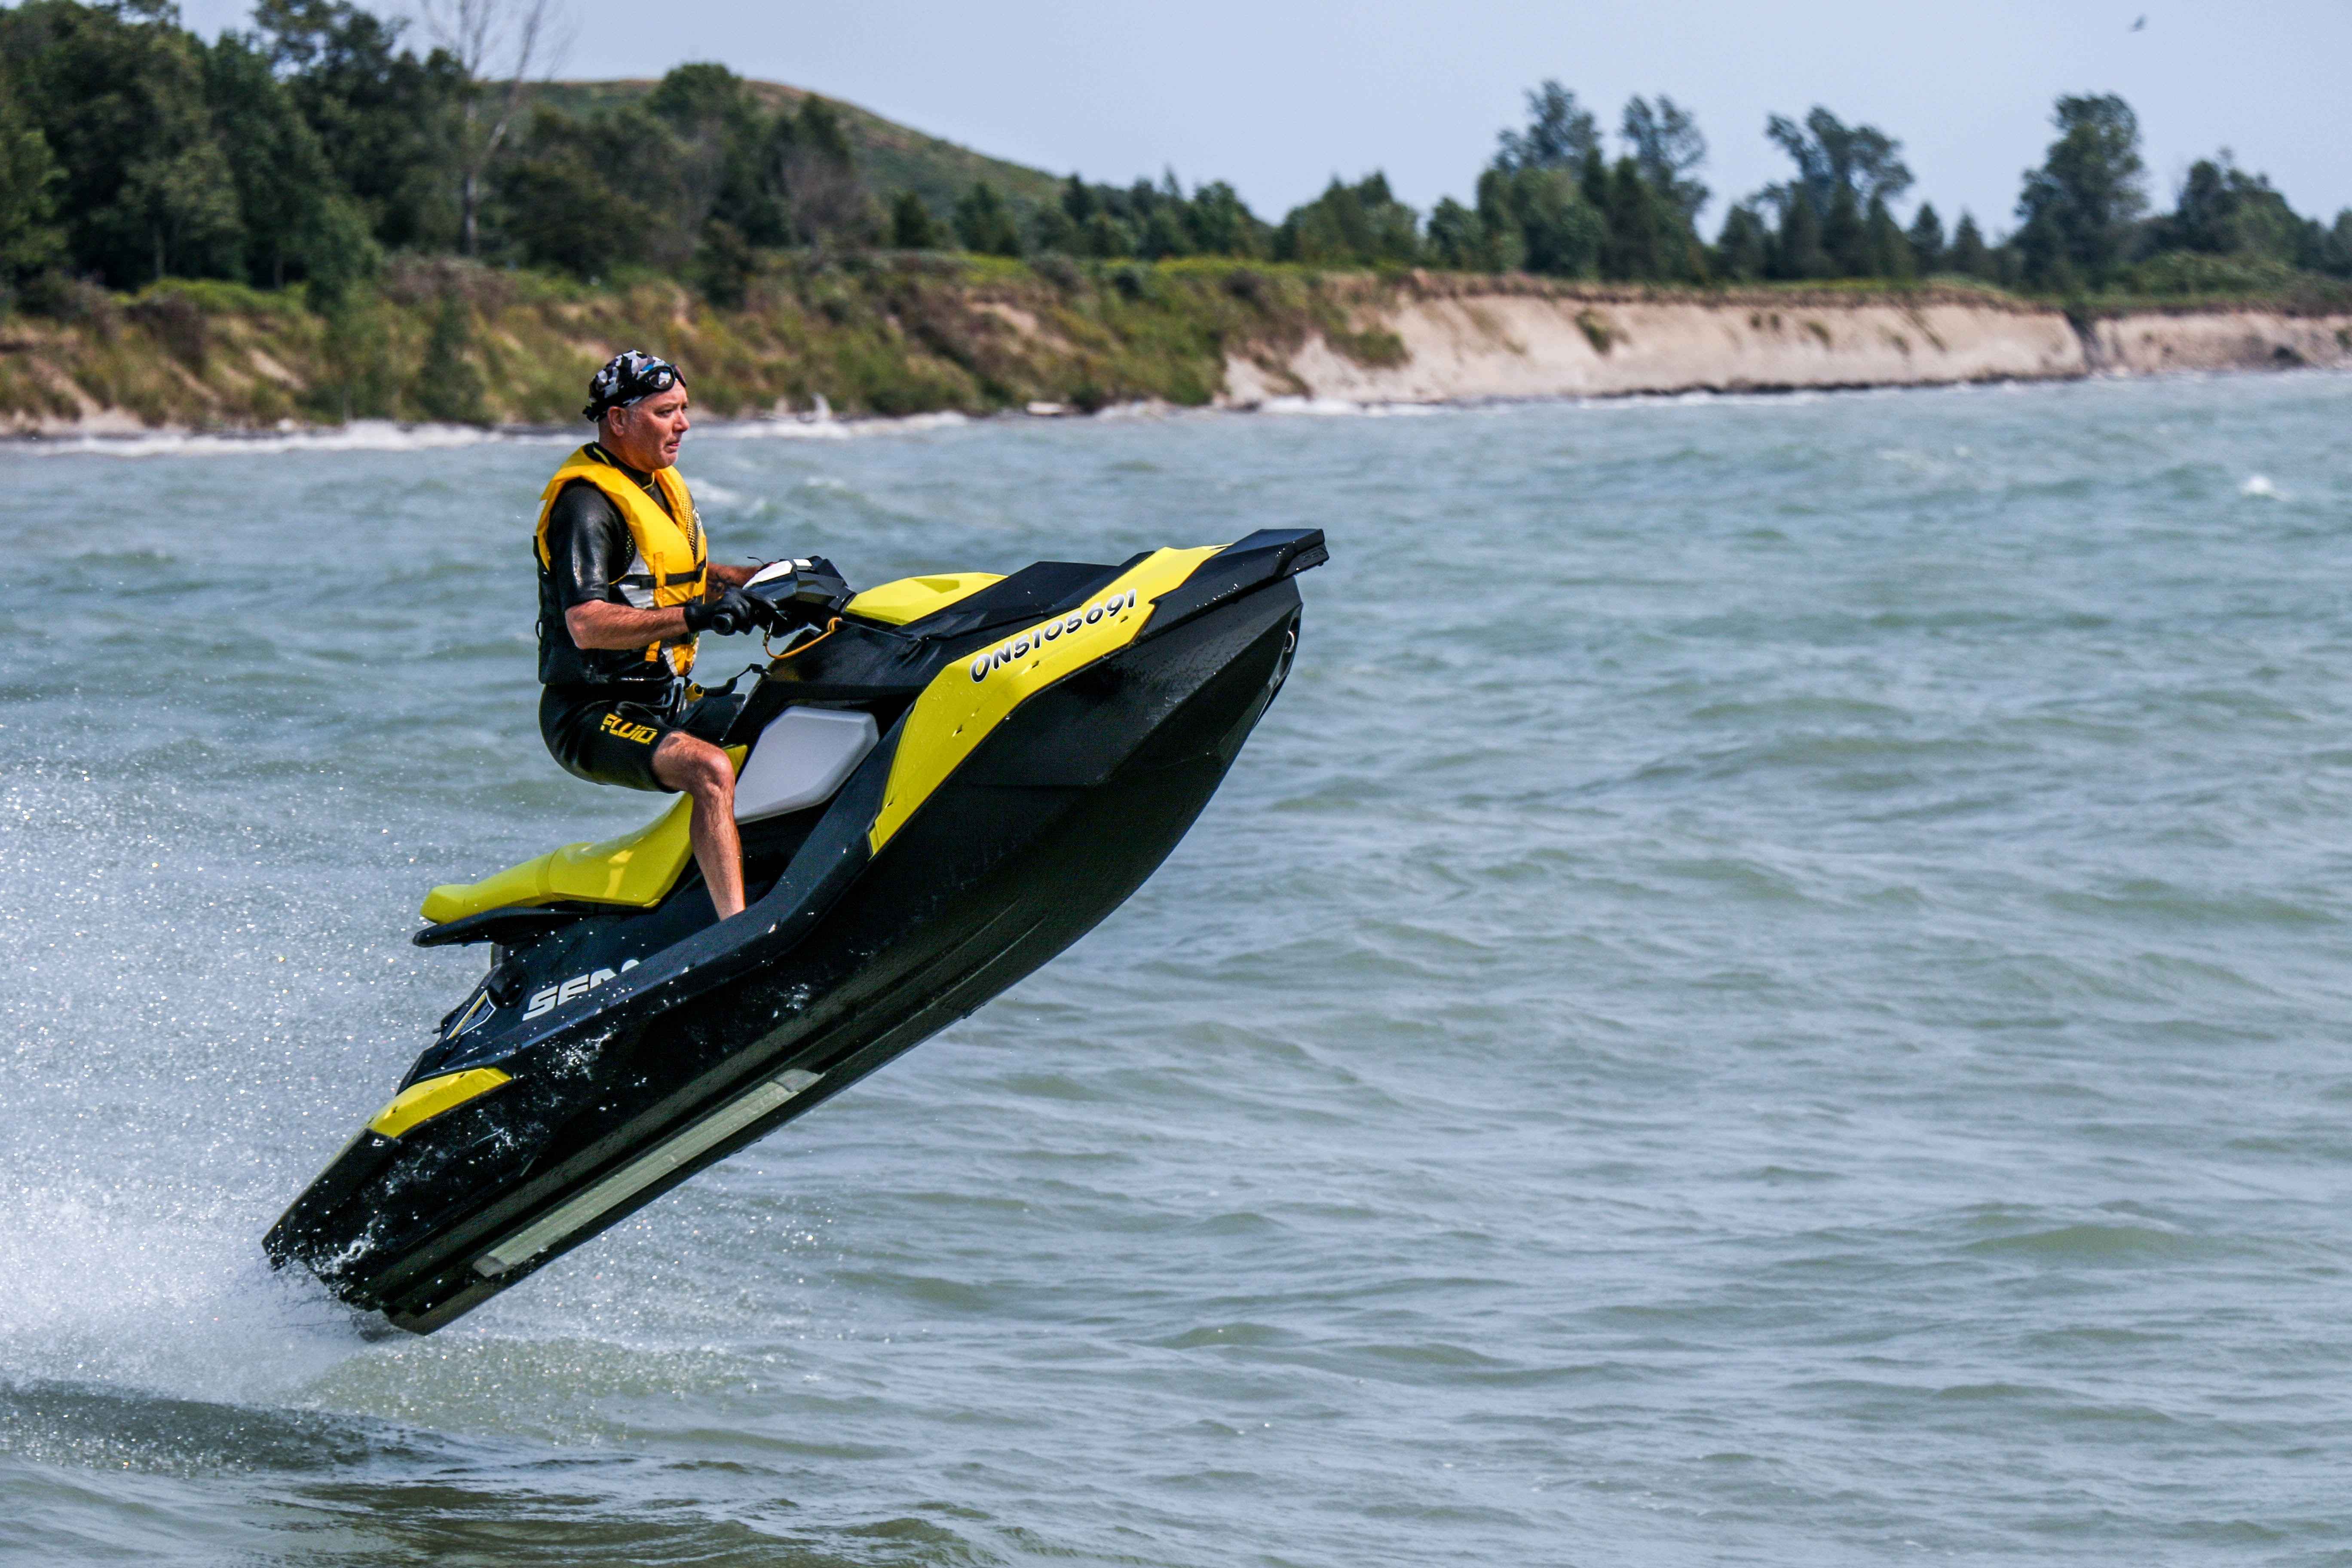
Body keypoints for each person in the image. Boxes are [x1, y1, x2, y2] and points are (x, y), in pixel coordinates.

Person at [534, 350, 771, 921]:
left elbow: (674, 580)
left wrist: (764, 581)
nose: (684, 424)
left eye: (684, 410)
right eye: (668, 412)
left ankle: (777, 871)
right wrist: (696, 616)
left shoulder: (659, 484)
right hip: (592, 712)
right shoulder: (586, 505)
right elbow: (587, 623)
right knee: (710, 770)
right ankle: (735, 929)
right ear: (619, 420)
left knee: (784, 716)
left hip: (666, 698)